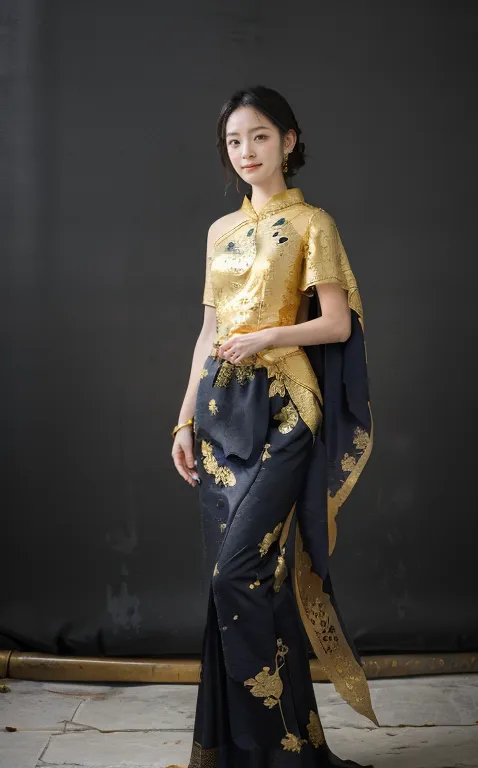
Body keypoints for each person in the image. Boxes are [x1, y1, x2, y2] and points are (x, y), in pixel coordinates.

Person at [170, 85, 377, 768]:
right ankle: (267, 748)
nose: (246, 152)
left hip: (286, 408)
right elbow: (207, 334)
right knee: (246, 581)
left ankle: (275, 750)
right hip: (223, 416)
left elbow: (337, 324)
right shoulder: (217, 232)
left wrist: (265, 338)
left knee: (240, 574)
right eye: (234, 141)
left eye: (259, 136)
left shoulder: (313, 222)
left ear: (289, 140)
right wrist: (181, 421)